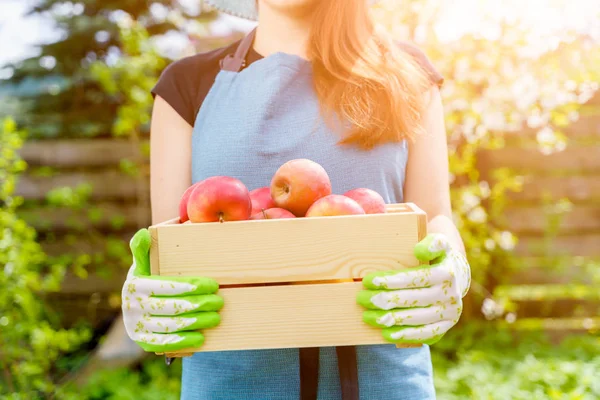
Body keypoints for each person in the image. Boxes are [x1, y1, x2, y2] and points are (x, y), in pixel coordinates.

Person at [120, 0, 472, 398]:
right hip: (232, 385)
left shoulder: (406, 73)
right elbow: (170, 245)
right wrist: (146, 293)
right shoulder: (186, 86)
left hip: (383, 380)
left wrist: (453, 270)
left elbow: (435, 214)